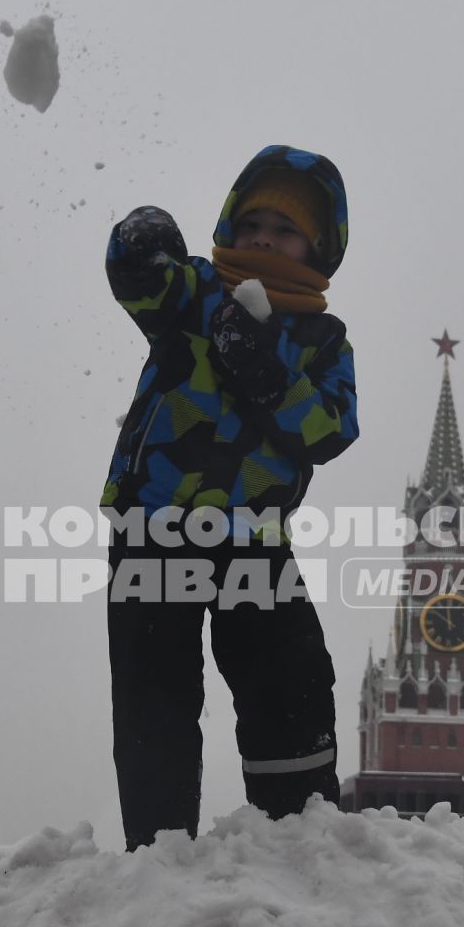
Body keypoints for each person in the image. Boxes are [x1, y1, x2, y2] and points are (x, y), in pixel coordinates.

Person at [99, 144, 359, 850]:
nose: (264, 238)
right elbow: (139, 286)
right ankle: (159, 848)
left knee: (290, 674)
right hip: (155, 525)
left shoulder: (321, 340)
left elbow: (332, 429)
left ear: (317, 247)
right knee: (156, 691)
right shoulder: (198, 292)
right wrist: (139, 242)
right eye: (253, 223)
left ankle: (298, 832)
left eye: (285, 228)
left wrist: (268, 370)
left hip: (255, 538)